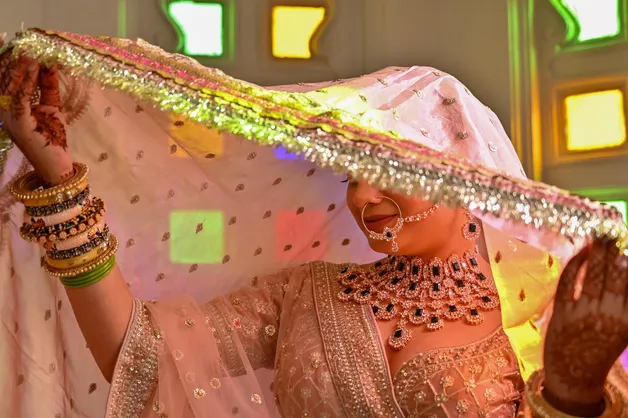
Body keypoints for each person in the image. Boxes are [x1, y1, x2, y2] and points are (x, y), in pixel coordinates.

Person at [0, 29, 627, 417]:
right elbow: (139, 356)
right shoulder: (306, 293)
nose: (364, 195)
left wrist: (572, 390)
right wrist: (61, 185)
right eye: (351, 173)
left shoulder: (542, 304)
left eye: (388, 168)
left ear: (461, 172)